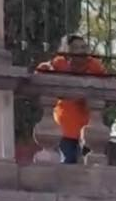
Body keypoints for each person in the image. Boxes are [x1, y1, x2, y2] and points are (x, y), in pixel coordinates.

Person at [35, 34, 108, 164]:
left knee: (90, 164)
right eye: (76, 47)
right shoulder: (60, 62)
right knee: (69, 161)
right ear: (68, 50)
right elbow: (41, 71)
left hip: (88, 125)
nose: (81, 50)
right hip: (65, 126)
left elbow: (106, 82)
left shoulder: (93, 65)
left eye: (83, 47)